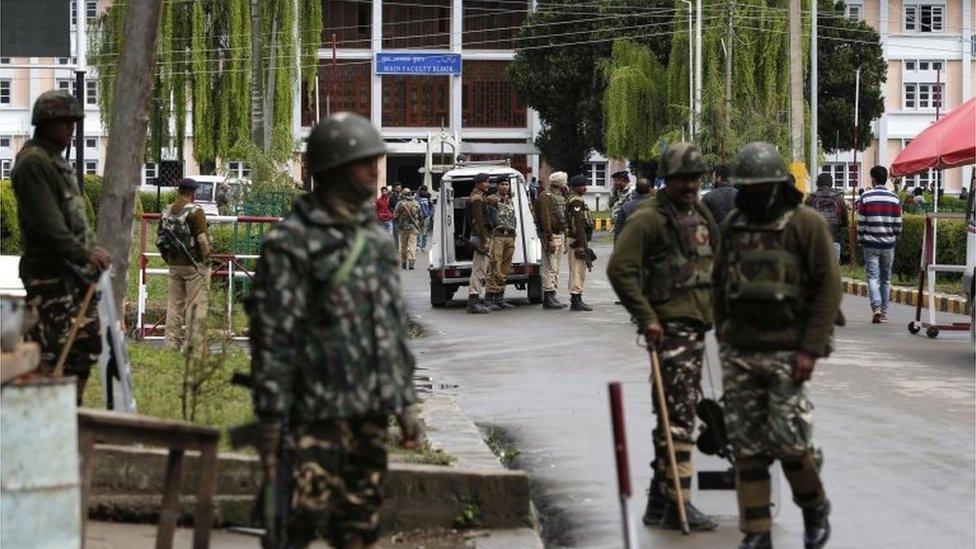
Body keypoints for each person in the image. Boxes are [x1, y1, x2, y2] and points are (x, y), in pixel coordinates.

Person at [249, 112, 420, 549]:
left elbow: (392, 326)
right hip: (313, 411)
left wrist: (405, 403)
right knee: (297, 524)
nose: (374, 171)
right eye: (364, 162)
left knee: (360, 525)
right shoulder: (291, 242)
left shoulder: (378, 240)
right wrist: (270, 415)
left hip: (369, 410)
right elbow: (273, 336)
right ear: (334, 169)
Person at [714, 141, 840, 549]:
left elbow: (827, 290)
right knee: (746, 445)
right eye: (745, 188)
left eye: (758, 187)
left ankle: (814, 505)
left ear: (776, 185)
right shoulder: (735, 223)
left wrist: (810, 349)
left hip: (789, 350)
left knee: (789, 442)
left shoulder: (806, 224)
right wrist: (724, 334)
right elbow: (719, 283)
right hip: (741, 350)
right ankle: (756, 531)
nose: (750, 195)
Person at [606, 142, 718, 532]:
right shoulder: (648, 219)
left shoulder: (699, 212)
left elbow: (715, 260)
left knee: (673, 415)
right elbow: (620, 269)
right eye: (681, 179)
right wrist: (647, 317)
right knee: (679, 420)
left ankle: (658, 501)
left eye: (694, 178)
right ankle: (678, 504)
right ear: (666, 180)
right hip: (669, 331)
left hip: (698, 328)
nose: (689, 185)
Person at [11, 90, 111, 405]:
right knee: (50, 348)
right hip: (48, 275)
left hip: (74, 274)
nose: (70, 128)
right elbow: (48, 225)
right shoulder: (33, 163)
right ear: (44, 123)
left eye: (73, 121)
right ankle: (41, 417)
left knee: (86, 344)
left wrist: (93, 251)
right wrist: (85, 254)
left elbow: (77, 219)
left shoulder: (58, 163)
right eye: (63, 122)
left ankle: (70, 413)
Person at [159, 178, 212, 351]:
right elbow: (202, 239)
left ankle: (171, 344)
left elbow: (159, 239)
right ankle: (193, 347)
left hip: (174, 265)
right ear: (193, 193)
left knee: (174, 305)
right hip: (194, 265)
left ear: (179, 191)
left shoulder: (167, 210)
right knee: (195, 305)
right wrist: (207, 260)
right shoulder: (196, 211)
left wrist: (168, 260)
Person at [857, 166, 902, 324]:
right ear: (886, 179)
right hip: (888, 245)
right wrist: (893, 235)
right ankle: (883, 312)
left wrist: (860, 238)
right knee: (886, 279)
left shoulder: (866, 197)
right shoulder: (894, 198)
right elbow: (898, 225)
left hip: (870, 244)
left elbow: (861, 222)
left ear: (873, 179)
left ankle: (876, 307)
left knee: (872, 277)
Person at [484, 178, 518, 311]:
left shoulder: (510, 200)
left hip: (510, 236)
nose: (505, 187)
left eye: (506, 184)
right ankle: (488, 298)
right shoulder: (492, 199)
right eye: (502, 184)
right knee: (494, 266)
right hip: (498, 236)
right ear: (497, 186)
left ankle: (499, 297)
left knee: (504, 269)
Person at [537, 172, 569, 309]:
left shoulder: (560, 196)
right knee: (548, 266)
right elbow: (545, 219)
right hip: (551, 236)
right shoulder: (545, 196)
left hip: (559, 234)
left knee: (556, 267)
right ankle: (548, 296)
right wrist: (549, 238)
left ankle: (552, 293)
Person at [566, 174, 594, 312]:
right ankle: (576, 300)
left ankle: (576, 297)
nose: (584, 188)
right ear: (575, 187)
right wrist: (580, 244)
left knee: (577, 269)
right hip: (577, 240)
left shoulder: (575, 199)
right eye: (581, 185)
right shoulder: (576, 201)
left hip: (577, 239)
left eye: (585, 185)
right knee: (577, 270)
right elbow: (577, 224)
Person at [805, 173, 849, 261]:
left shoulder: (811, 198)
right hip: (834, 239)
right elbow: (845, 222)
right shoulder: (838, 198)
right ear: (831, 184)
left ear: (817, 184)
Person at [466, 173, 492, 314]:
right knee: (478, 270)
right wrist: (484, 241)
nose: (487, 184)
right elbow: (479, 222)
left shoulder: (480, 197)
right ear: (477, 183)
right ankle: (473, 301)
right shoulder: (477, 199)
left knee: (481, 269)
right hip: (480, 237)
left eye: (488, 182)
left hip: (481, 237)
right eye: (485, 182)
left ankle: (475, 299)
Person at [393, 188, 422, 270]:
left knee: (404, 245)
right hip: (414, 227)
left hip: (403, 228)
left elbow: (395, 216)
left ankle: (404, 262)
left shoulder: (400, 204)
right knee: (412, 244)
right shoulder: (416, 203)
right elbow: (420, 215)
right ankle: (412, 261)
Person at [608, 170, 633, 235]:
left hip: (628, 226)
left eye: (615, 181)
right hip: (617, 226)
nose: (614, 183)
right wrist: (613, 193)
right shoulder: (616, 191)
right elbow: (610, 205)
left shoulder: (632, 191)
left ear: (622, 180)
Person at [415, 186, 434, 251]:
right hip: (419, 217)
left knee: (424, 232)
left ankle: (423, 246)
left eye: (425, 191)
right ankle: (418, 244)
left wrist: (430, 214)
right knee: (418, 231)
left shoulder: (428, 196)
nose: (424, 192)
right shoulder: (417, 197)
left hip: (426, 216)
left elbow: (431, 206)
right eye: (422, 191)